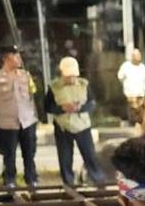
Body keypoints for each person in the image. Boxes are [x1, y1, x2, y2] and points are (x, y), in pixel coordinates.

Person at [45, 57, 106, 185]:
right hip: (63, 127)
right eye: (68, 76)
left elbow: (92, 103)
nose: (72, 79)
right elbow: (47, 107)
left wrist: (80, 108)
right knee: (65, 157)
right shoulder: (54, 87)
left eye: (74, 76)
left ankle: (98, 180)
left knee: (90, 155)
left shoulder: (84, 84)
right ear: (62, 74)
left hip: (82, 126)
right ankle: (68, 182)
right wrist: (62, 108)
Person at [0, 45, 39, 188]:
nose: (19, 59)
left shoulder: (25, 75)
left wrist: (35, 119)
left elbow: (32, 98)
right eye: (16, 56)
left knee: (29, 153)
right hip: (7, 123)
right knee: (9, 155)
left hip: (27, 121)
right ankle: (9, 181)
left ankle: (32, 179)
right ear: (6, 58)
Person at [117, 48, 145, 127]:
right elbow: (120, 76)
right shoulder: (126, 66)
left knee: (141, 111)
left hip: (141, 93)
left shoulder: (142, 67)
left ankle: (141, 125)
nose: (138, 57)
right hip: (131, 93)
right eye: (136, 56)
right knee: (133, 110)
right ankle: (133, 124)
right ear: (133, 56)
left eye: (139, 56)